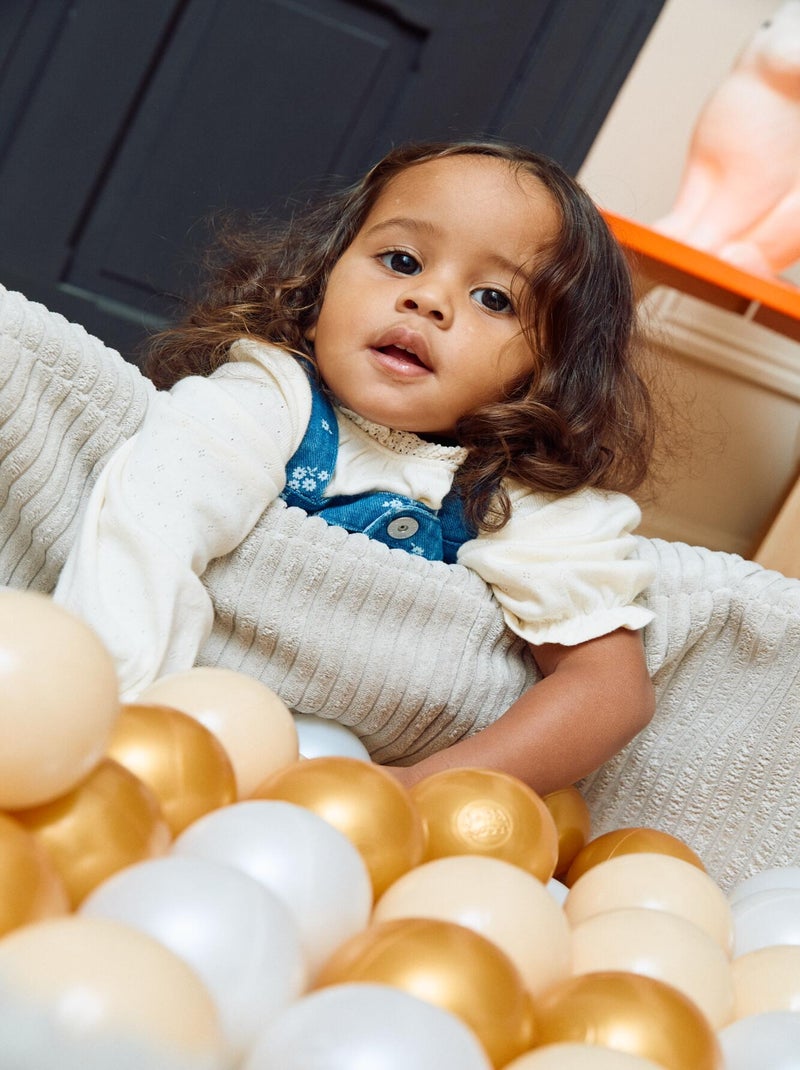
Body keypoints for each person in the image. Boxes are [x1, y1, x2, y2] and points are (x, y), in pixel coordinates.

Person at [53, 139, 658, 796]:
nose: (428, 299)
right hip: (178, 748)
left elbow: (609, 692)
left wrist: (416, 792)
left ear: (543, 371)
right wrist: (106, 729)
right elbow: (148, 528)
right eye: (401, 261)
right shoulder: (268, 398)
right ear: (320, 284)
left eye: (493, 298)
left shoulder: (515, 497)